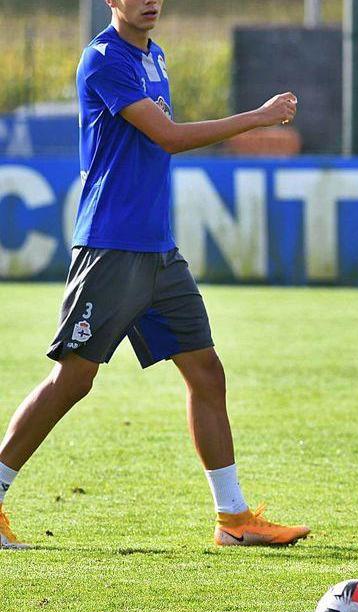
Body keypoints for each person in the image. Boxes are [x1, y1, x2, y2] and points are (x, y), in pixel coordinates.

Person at [0, 0, 309, 550]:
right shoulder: (104, 59)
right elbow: (168, 137)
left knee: (207, 374)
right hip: (112, 247)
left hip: (158, 251)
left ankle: (234, 519)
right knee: (73, 380)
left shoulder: (155, 56)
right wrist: (257, 117)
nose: (150, 1)